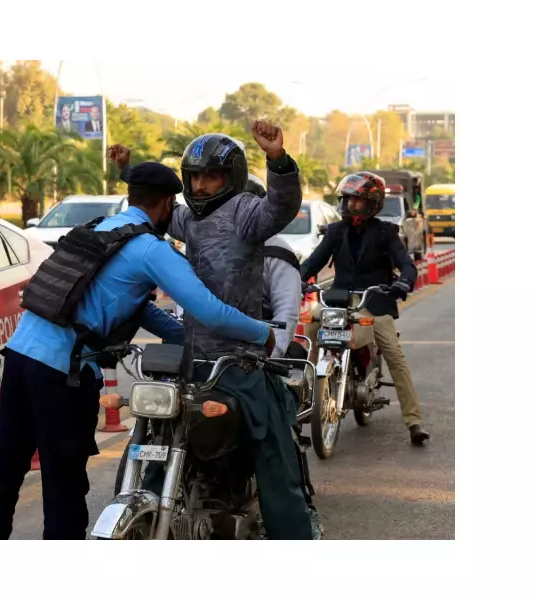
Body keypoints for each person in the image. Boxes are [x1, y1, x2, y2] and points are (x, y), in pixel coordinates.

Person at [0, 161, 278, 540]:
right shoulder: (150, 249)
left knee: (3, 468)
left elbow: (136, 307)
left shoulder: (99, 229)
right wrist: (261, 333)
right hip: (63, 371)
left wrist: (187, 339)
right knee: (64, 481)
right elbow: (209, 310)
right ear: (167, 204)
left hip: (21, 356)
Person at [110, 121, 321, 540]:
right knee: (160, 434)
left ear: (233, 176)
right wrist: (128, 171)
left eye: (211, 176)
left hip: (242, 361)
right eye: (194, 177)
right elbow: (156, 208)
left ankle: (296, 533)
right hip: (194, 360)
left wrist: (277, 159)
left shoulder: (245, 211)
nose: (201, 185)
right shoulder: (189, 218)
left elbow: (281, 206)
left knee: (273, 448)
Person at [299, 172, 430, 445]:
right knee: (311, 326)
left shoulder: (386, 232)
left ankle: (413, 421)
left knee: (395, 356)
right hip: (338, 299)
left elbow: (406, 264)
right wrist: (298, 279)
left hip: (374, 302)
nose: (350, 204)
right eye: (347, 199)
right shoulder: (335, 232)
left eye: (356, 200)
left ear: (372, 203)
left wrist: (403, 283)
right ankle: (308, 395)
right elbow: (312, 263)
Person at [246, 174, 303, 359]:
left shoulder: (278, 252)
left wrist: (271, 354)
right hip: (209, 347)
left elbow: (286, 312)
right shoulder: (208, 246)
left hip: (258, 349)